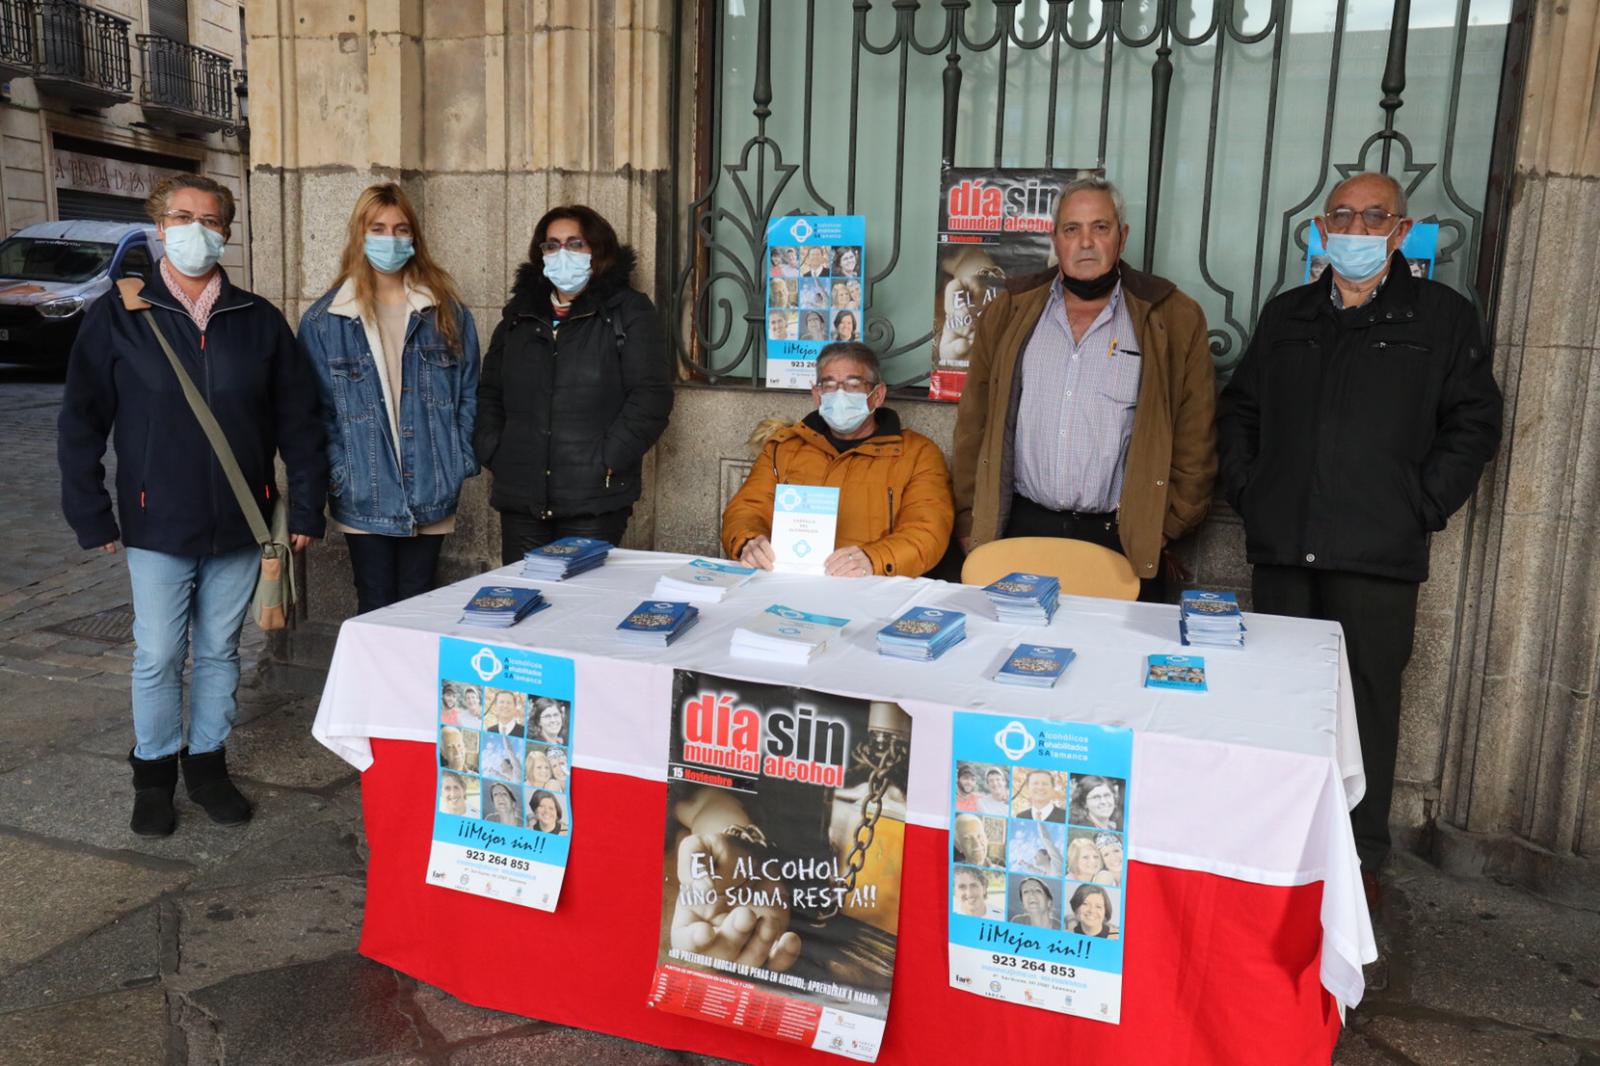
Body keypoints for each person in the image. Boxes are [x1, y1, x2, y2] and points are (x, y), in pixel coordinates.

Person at [1217, 171, 1502, 910]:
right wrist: (1252, 490)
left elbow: (1474, 422)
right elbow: (1240, 411)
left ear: (1401, 232)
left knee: (1366, 707)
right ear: (1319, 225)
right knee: (1279, 701)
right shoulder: (1288, 316)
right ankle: (1281, 846)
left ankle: (1359, 856)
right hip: (1285, 547)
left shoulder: (1440, 316)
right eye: (1342, 215)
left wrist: (1421, 504)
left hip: (1378, 556)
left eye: (1374, 217)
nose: (1355, 228)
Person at [58, 173, 327, 837]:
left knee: (218, 652)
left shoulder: (257, 320)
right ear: (159, 226)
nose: (196, 230)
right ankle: (153, 774)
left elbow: (301, 423)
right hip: (157, 522)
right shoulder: (117, 316)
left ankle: (206, 764)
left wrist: (309, 511)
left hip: (243, 520)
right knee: (156, 654)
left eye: (210, 220)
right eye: (182, 216)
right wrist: (91, 514)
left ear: (227, 234)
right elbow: (81, 421)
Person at [951, 175, 1217, 599]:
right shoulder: (1011, 310)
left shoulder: (1173, 316)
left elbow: (1195, 437)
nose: (1086, 242)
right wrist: (971, 520)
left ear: (1122, 237)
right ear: (1055, 239)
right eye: (1072, 229)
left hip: (1120, 536)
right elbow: (974, 424)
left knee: (1113, 663)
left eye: (1101, 227)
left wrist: (1162, 528)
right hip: (1021, 526)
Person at [298, 183, 479, 614]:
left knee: (418, 606)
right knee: (375, 604)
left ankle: (412, 686)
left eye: (400, 229)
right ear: (360, 235)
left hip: (433, 486)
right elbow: (316, 412)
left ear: (414, 236)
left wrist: (459, 458)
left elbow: (470, 391)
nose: (390, 238)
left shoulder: (446, 313)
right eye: (377, 228)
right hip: (365, 490)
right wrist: (343, 472)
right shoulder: (326, 321)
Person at [475, 205, 673, 563]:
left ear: (597, 251)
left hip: (592, 501)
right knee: (521, 605)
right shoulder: (519, 315)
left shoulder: (629, 311)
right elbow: (490, 391)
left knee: (581, 609)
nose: (561, 254)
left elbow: (650, 397)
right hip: (522, 495)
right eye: (551, 245)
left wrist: (608, 459)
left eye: (575, 243)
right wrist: (495, 450)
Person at [723, 342, 954, 578]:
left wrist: (874, 559)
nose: (840, 394)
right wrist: (748, 541)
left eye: (853, 385)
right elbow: (746, 509)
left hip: (872, 593)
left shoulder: (918, 454)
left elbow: (927, 531)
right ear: (817, 395)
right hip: (790, 584)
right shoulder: (783, 448)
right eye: (829, 385)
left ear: (877, 395)